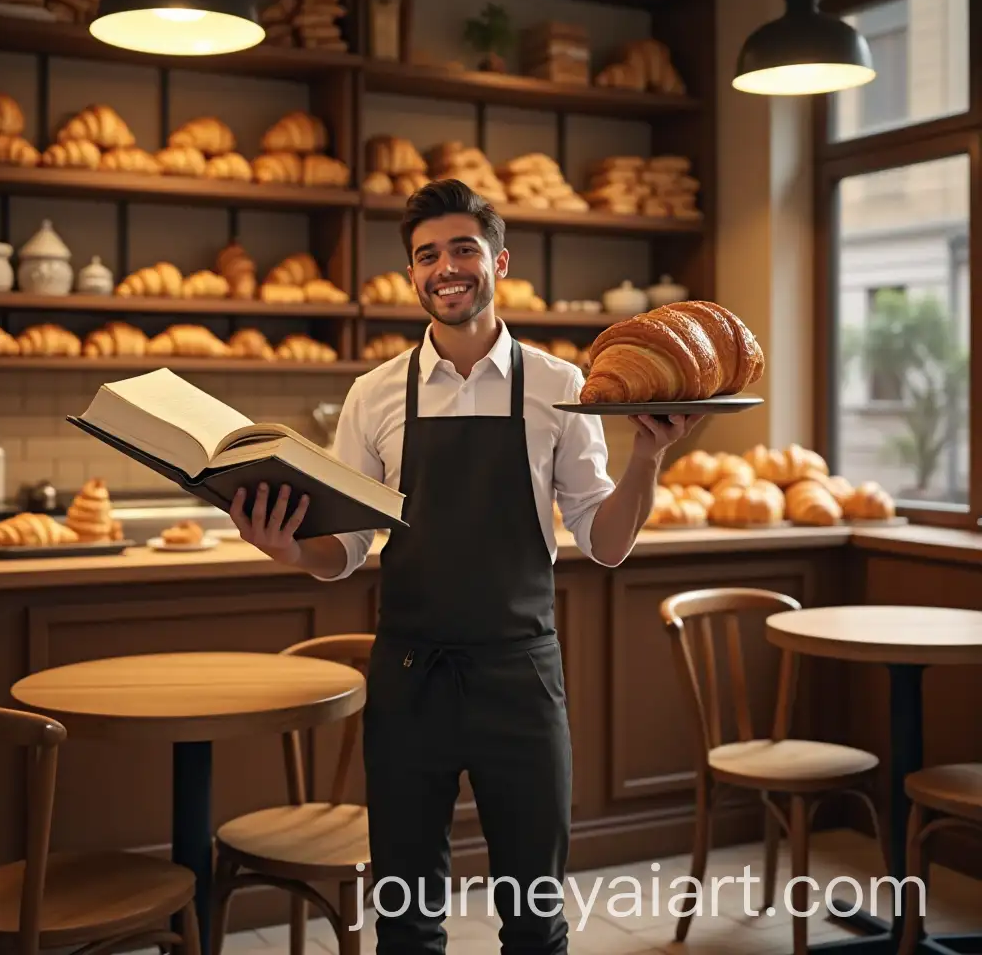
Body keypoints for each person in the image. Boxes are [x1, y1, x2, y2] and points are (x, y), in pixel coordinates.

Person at [229, 178, 701, 954]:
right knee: (407, 924)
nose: (445, 268)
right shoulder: (373, 395)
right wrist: (287, 546)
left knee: (536, 918)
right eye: (426, 256)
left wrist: (648, 455)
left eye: (462, 249)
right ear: (411, 276)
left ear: (498, 261)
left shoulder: (562, 387)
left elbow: (605, 543)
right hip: (409, 680)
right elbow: (341, 552)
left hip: (522, 677)